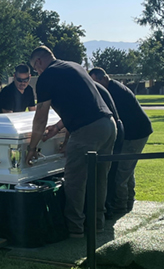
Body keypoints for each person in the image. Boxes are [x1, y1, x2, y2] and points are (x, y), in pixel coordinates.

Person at [26, 46, 116, 235]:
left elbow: (41, 115)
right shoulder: (74, 67)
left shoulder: (47, 77)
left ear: (39, 61)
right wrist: (58, 128)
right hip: (108, 125)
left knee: (75, 180)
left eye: (35, 68)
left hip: (87, 131)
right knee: (99, 179)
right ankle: (97, 224)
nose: (37, 71)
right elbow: (79, 104)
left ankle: (74, 228)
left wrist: (32, 147)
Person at [89, 67, 153, 216]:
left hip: (135, 134)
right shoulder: (114, 88)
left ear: (104, 78)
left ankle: (120, 207)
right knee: (128, 170)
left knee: (121, 172)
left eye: (96, 82)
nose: (95, 87)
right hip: (138, 132)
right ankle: (129, 201)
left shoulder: (113, 92)